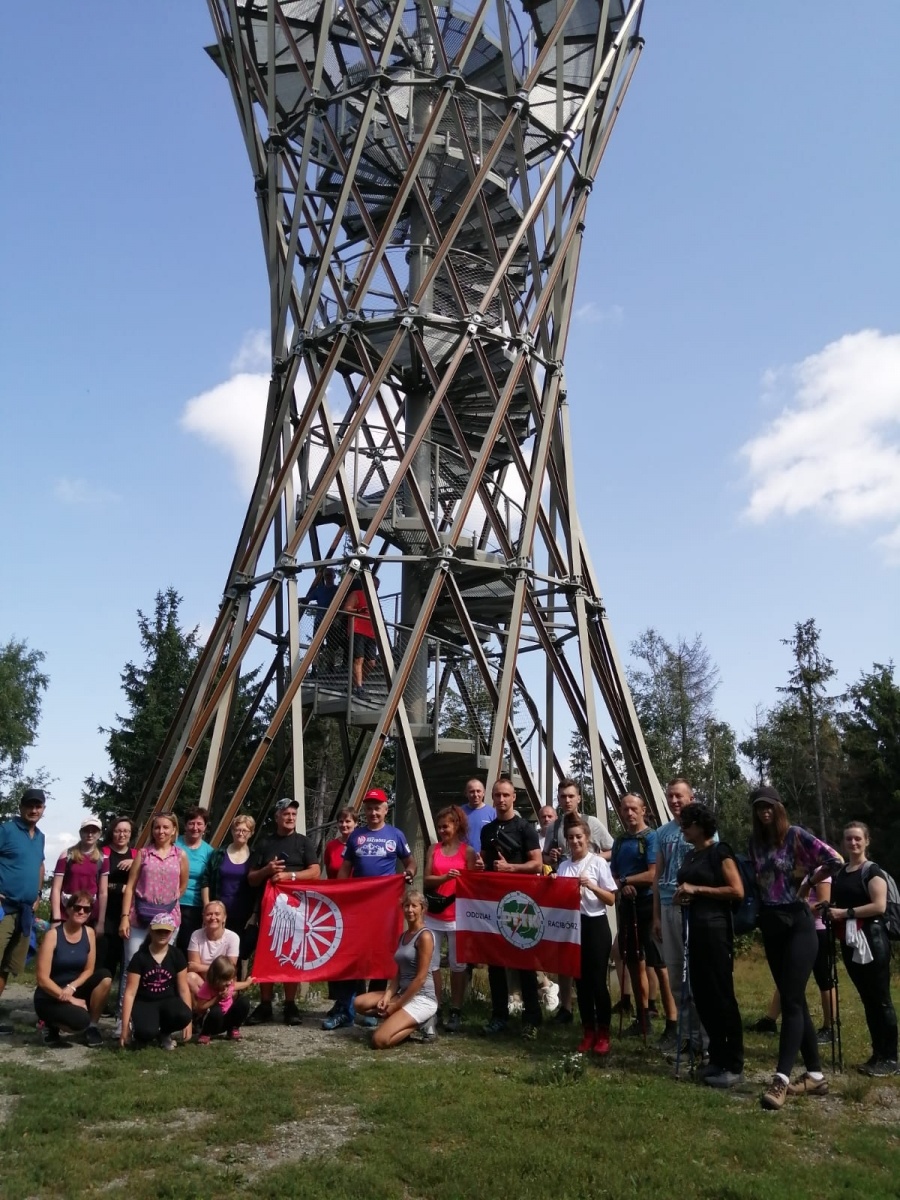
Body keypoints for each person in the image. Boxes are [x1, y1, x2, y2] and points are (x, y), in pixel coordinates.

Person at [748, 785, 842, 1111]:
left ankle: (781, 1080)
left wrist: (810, 882)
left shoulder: (796, 836)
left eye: (769, 806)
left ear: (779, 807)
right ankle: (815, 1076)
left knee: (790, 1001)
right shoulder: (756, 843)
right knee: (795, 999)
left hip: (799, 924)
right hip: (772, 925)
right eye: (759, 807)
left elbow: (835, 860)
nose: (764, 812)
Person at [327, 788, 416, 1030]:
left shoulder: (396, 835)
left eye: (377, 807)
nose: (373, 812)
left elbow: (410, 862)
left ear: (386, 810)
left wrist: (408, 874)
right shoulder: (356, 836)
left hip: (386, 907)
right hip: (358, 907)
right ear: (364, 811)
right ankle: (345, 1007)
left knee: (381, 954)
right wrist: (342, 893)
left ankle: (373, 1009)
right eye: (369, 808)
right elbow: (345, 868)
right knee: (353, 954)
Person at [673, 803, 745, 1087]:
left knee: (721, 995)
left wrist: (697, 890)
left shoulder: (720, 851)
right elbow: (686, 887)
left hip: (715, 930)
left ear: (701, 825)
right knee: (701, 995)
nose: (683, 829)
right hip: (693, 930)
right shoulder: (691, 855)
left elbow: (736, 891)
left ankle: (734, 1063)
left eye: (687, 824)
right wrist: (683, 896)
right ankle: (715, 1057)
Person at [475, 777, 543, 1039]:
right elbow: (484, 860)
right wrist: (481, 866)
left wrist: (511, 868)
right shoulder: (487, 830)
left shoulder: (525, 827)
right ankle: (499, 1015)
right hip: (495, 902)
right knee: (495, 963)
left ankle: (532, 1018)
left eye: (506, 795)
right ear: (492, 798)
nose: (501, 800)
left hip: (521, 903)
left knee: (524, 962)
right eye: (497, 795)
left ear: (513, 797)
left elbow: (537, 864)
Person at [829, 822, 898, 1076]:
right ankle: (878, 1054)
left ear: (867, 841)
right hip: (851, 940)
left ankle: (890, 1058)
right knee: (868, 1000)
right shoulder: (842, 872)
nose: (853, 843)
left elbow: (879, 906)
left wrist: (844, 912)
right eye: (849, 839)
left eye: (858, 839)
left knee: (880, 1000)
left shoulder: (873, 871)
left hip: (874, 938)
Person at [543, 779, 614, 1025]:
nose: (567, 800)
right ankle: (570, 1011)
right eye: (562, 797)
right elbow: (547, 858)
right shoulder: (554, 828)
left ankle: (601, 1027)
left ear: (579, 798)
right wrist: (551, 860)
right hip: (570, 915)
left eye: (571, 796)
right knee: (575, 971)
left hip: (593, 913)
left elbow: (611, 849)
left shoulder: (593, 824)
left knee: (595, 977)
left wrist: (592, 861)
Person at [247, 797, 320, 1025]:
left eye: (293, 815)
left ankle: (290, 1004)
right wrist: (267, 870)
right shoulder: (265, 843)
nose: (290, 818)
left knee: (293, 954)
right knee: (267, 953)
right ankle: (265, 1004)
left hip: (297, 908)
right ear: (277, 817)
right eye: (286, 814)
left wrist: (290, 875)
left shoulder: (303, 842)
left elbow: (315, 871)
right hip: (268, 909)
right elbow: (251, 878)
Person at [610, 793, 676, 1039]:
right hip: (628, 906)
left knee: (659, 965)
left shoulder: (652, 838)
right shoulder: (620, 841)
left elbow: (653, 874)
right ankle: (642, 1017)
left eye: (633, 809)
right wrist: (621, 884)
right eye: (625, 809)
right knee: (633, 962)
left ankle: (672, 1022)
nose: (629, 814)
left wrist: (626, 881)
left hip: (650, 905)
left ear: (643, 810)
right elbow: (613, 874)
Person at [118, 813, 189, 1035]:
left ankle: (163, 1019)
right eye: (157, 827)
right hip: (139, 917)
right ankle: (124, 1022)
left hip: (168, 919)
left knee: (163, 966)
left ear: (174, 830)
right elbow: (130, 886)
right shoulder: (143, 854)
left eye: (166, 828)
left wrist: (167, 902)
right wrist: (124, 917)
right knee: (132, 965)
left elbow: (182, 886)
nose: (161, 832)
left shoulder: (180, 855)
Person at [652, 778, 707, 1054]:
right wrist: (656, 917)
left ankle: (706, 1041)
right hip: (666, 905)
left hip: (693, 908)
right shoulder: (663, 833)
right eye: (670, 796)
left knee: (697, 977)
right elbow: (657, 876)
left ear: (691, 797)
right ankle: (686, 1037)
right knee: (676, 977)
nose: (674, 801)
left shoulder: (704, 830)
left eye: (679, 796)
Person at [557, 817, 617, 1056]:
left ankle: (603, 1031)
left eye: (578, 837)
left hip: (596, 925)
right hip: (573, 925)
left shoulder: (598, 863)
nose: (574, 841)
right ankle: (587, 1030)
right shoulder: (564, 866)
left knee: (597, 982)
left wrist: (591, 886)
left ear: (587, 838)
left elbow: (611, 899)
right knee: (580, 982)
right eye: (570, 838)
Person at [354, 890, 437, 1049]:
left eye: (414, 906)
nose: (410, 910)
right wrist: (387, 996)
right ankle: (399, 1021)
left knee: (378, 1040)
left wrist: (396, 1005)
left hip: (422, 997)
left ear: (422, 909)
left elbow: (420, 979)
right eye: (406, 906)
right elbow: (399, 973)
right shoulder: (404, 936)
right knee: (359, 1003)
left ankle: (422, 1023)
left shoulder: (425, 936)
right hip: (402, 993)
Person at [33, 890, 112, 1048]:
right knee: (80, 1021)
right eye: (77, 907)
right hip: (49, 996)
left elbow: (89, 970)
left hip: (72, 988)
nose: (81, 911)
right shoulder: (53, 936)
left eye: (87, 909)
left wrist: (72, 987)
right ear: (68, 909)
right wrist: (69, 998)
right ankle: (50, 1024)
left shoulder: (89, 933)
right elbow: (42, 979)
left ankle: (92, 1028)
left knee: (105, 976)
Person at [423, 805, 476, 1032]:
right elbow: (426, 880)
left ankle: (456, 1008)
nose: (442, 830)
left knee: (457, 965)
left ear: (456, 826)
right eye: (439, 827)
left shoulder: (468, 852)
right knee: (432, 964)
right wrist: (444, 877)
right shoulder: (432, 849)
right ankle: (435, 1007)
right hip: (433, 914)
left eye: (446, 826)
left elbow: (472, 884)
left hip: (457, 915)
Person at [0, 787, 47, 1033]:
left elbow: (40, 865)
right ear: (21, 807)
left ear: (43, 810)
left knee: (7, 965)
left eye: (38, 806)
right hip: (3, 908)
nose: (33, 810)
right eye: (30, 805)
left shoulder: (39, 836)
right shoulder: (6, 830)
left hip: (26, 910)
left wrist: (38, 894)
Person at [120, 915, 193, 1050]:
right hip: (145, 1002)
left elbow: (183, 988)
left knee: (185, 1014)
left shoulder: (177, 955)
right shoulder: (140, 957)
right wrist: (124, 1027)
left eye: (166, 931)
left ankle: (165, 1033)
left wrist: (189, 1022)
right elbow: (129, 993)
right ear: (151, 931)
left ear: (172, 932)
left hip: (168, 1000)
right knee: (146, 1032)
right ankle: (140, 1032)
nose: (162, 934)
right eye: (158, 930)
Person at [203, 814, 256, 955]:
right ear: (232, 831)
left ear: (251, 833)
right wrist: (207, 906)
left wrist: (254, 915)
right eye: (237, 829)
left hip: (243, 914)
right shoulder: (218, 853)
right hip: (217, 914)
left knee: (235, 955)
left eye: (245, 830)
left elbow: (258, 887)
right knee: (214, 952)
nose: (241, 833)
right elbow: (206, 880)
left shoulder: (255, 857)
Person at [96, 816, 136, 996]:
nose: (122, 835)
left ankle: (118, 1004)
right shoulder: (102, 852)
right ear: (112, 832)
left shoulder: (136, 855)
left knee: (126, 961)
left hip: (128, 915)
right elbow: (96, 883)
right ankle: (97, 999)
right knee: (104, 961)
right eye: (118, 830)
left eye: (126, 831)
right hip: (105, 913)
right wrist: (121, 887)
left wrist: (135, 863)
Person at [175, 807, 215, 955]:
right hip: (171, 902)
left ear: (205, 827)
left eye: (199, 824)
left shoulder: (209, 852)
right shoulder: (174, 844)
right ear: (185, 825)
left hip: (194, 906)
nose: (195, 828)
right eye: (191, 823)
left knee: (186, 946)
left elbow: (209, 881)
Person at [49, 817, 104, 925]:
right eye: (86, 831)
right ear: (80, 832)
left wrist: (100, 921)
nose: (90, 834)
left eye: (94, 831)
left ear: (99, 834)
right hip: (66, 913)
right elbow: (56, 888)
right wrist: (56, 918)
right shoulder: (67, 855)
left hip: (89, 914)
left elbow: (103, 892)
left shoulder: (102, 859)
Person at [193, 955, 255, 1044]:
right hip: (212, 1022)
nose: (230, 983)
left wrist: (247, 983)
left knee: (243, 1001)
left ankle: (233, 1028)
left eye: (231, 979)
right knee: (216, 1010)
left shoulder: (228, 984)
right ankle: (205, 1034)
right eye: (227, 980)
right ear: (216, 979)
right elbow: (200, 1007)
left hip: (226, 1020)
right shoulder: (207, 988)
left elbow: (236, 986)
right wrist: (217, 999)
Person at [186, 902, 240, 999]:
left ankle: (210, 1003)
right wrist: (218, 968)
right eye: (209, 914)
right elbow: (192, 967)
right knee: (189, 977)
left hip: (223, 982)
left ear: (224, 917)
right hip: (202, 981)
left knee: (234, 991)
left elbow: (229, 969)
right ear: (203, 917)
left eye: (217, 914)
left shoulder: (233, 937)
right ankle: (204, 1004)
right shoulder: (196, 935)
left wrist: (201, 967)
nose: (213, 917)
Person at [344, 575, 380, 698]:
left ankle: (354, 684)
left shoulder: (374, 599)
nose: (375, 589)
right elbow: (347, 608)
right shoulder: (356, 594)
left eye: (376, 587)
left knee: (371, 663)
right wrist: (358, 611)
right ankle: (359, 687)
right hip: (357, 629)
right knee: (359, 659)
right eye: (373, 586)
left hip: (371, 632)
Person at [461, 778, 496, 853]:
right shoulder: (459, 812)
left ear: (484, 793)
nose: (475, 795)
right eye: (472, 791)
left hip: (484, 858)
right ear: (466, 793)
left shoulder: (493, 813)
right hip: (463, 857)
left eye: (478, 791)